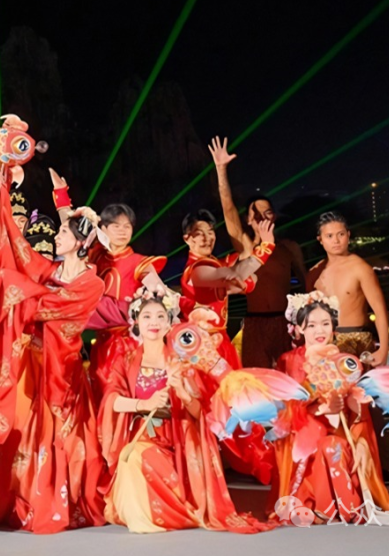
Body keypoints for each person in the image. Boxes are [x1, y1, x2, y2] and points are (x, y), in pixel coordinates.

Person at [0, 174, 108, 533]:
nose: (56, 237)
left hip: (62, 371)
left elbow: (46, 305)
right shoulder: (49, 271)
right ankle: (23, 501)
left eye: (63, 233)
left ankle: (56, 500)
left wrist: (16, 289)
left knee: (59, 437)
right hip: (30, 366)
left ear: (79, 243)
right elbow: (16, 248)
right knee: (23, 431)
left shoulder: (91, 283)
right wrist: (1, 196)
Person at [100, 288, 272, 534]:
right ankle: (148, 515)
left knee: (138, 459)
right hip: (144, 434)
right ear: (136, 321)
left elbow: (199, 412)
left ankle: (171, 514)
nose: (153, 322)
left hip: (178, 439)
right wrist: (144, 405)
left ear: (169, 323)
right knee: (134, 456)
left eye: (160, 316)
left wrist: (182, 393)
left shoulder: (181, 360)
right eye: (147, 316)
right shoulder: (125, 361)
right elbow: (112, 400)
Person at [272, 291, 389, 524]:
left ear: (334, 327)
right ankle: (322, 504)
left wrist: (360, 438)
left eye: (326, 324)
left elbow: (359, 413)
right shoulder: (288, 361)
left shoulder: (345, 361)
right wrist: (319, 411)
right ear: (299, 328)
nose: (320, 331)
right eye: (312, 325)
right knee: (324, 444)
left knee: (333, 445)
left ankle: (344, 506)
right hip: (303, 436)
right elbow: (282, 411)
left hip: (340, 432)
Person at [49, 168, 167, 402]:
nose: (123, 231)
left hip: (130, 344)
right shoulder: (95, 255)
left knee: (127, 397)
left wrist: (158, 295)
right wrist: (61, 194)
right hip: (101, 343)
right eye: (116, 226)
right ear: (102, 229)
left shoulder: (139, 262)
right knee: (101, 397)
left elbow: (156, 286)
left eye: (127, 226)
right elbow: (72, 230)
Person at [183, 210, 278, 483]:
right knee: (210, 406)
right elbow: (237, 274)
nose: (207, 238)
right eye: (199, 233)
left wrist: (247, 263)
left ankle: (247, 459)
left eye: (211, 232)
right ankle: (211, 463)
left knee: (235, 403)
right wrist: (265, 248)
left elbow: (247, 282)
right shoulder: (196, 269)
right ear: (187, 239)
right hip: (200, 351)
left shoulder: (213, 263)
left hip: (221, 344)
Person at [210, 137, 306, 369]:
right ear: (248, 220)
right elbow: (228, 209)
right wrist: (221, 170)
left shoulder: (288, 247)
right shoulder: (246, 247)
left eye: (268, 212)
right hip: (255, 324)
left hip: (285, 322)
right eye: (257, 213)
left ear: (275, 217)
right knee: (257, 378)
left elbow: (306, 284)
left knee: (290, 376)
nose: (263, 217)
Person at [306, 211, 389, 364]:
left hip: (357, 340)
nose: (336, 241)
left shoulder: (360, 268)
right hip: (323, 342)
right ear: (320, 240)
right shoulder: (314, 273)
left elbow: (380, 311)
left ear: (348, 235)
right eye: (329, 236)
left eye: (341, 234)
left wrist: (383, 349)